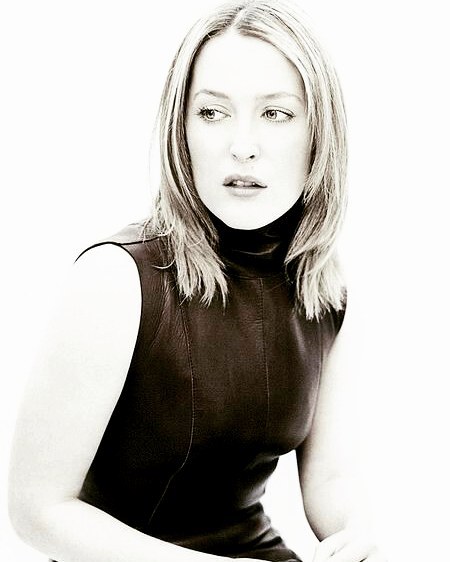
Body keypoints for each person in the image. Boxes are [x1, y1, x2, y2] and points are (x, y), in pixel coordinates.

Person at [8, 1, 386, 561]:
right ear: (181, 130)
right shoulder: (115, 279)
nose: (243, 144)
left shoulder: (323, 289)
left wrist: (356, 535)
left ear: (319, 132)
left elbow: (330, 479)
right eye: (212, 112)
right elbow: (38, 510)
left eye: (275, 113)